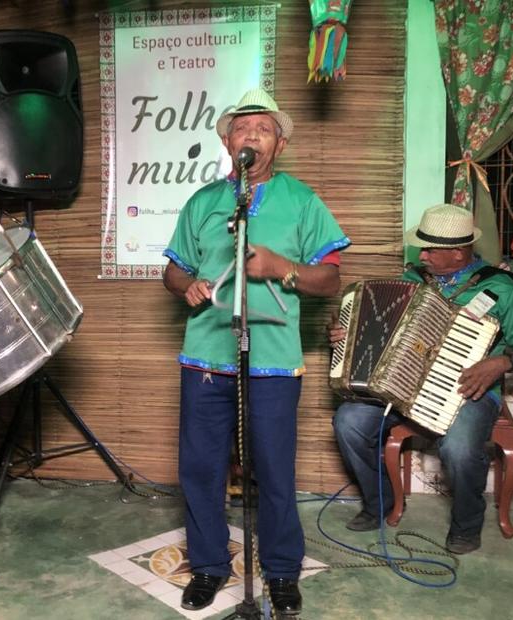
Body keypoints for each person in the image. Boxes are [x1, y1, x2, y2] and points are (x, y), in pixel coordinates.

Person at [162, 89, 350, 615]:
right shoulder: (202, 202)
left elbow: (331, 279)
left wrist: (282, 267)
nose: (251, 136)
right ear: (227, 142)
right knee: (200, 468)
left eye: (263, 129)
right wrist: (187, 284)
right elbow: (173, 269)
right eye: (242, 128)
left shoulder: (302, 200)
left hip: (273, 360)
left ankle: (282, 570)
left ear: (280, 144)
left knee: (273, 469)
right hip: (205, 357)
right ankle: (208, 565)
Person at [328, 204, 513, 554]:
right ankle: (379, 501)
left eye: (429, 250)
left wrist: (502, 362)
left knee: (459, 448)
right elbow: (379, 327)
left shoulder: (500, 287)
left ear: (458, 252)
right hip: (400, 387)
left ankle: (467, 523)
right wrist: (345, 333)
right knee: (348, 422)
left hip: (467, 390)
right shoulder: (413, 281)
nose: (422, 256)